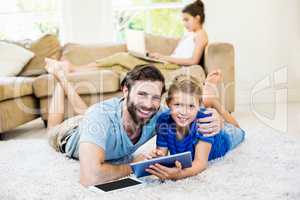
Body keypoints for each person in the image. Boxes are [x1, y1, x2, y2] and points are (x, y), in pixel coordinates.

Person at [45, 60, 223, 187]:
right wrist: (134, 165)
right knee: (57, 127)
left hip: (94, 119)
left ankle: (63, 79)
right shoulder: (99, 117)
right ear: (125, 91)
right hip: (68, 134)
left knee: (87, 113)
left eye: (154, 97)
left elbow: (190, 112)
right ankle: (60, 78)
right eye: (142, 94)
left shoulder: (158, 114)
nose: (148, 104)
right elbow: (90, 177)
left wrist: (217, 119)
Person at [57, 0, 208, 80]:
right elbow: (179, 54)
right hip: (166, 62)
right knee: (118, 67)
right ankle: (75, 70)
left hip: (171, 66)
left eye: (186, 20)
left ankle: (74, 68)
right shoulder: (188, 35)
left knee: (121, 57)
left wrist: (164, 57)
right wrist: (156, 56)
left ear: (197, 18)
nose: (184, 23)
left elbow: (193, 61)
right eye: (183, 20)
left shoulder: (201, 35)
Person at [144, 75, 245, 181]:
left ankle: (213, 101)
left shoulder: (204, 122)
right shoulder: (163, 120)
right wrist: (157, 157)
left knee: (238, 129)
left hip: (225, 138)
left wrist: (179, 175)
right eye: (178, 104)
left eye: (191, 106)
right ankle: (207, 99)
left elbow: (200, 163)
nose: (184, 112)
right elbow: (162, 154)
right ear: (168, 104)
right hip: (197, 114)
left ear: (198, 107)